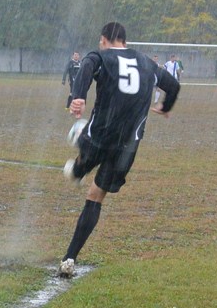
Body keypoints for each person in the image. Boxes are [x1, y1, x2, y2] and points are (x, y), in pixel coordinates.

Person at [58, 22, 180, 277]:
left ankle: (78, 168)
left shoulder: (102, 56)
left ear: (104, 39)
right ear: (124, 40)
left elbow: (87, 66)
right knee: (95, 197)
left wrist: (78, 95)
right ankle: (70, 258)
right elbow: (174, 86)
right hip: (127, 147)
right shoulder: (148, 63)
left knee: (81, 133)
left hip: (99, 137)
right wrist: (165, 107)